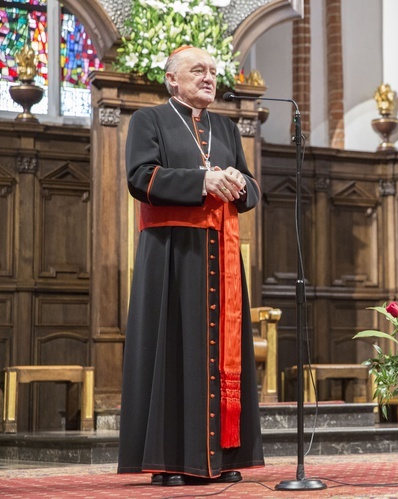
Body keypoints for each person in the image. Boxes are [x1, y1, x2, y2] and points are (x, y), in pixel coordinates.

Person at [117, 46, 264, 486]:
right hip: (172, 255)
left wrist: (239, 184)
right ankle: (170, 461)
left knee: (222, 354)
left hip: (221, 254)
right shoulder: (150, 120)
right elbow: (140, 177)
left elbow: (251, 187)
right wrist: (202, 180)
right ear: (171, 80)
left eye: (213, 72)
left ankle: (221, 456)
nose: (208, 78)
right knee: (175, 350)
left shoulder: (225, 126)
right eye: (198, 70)